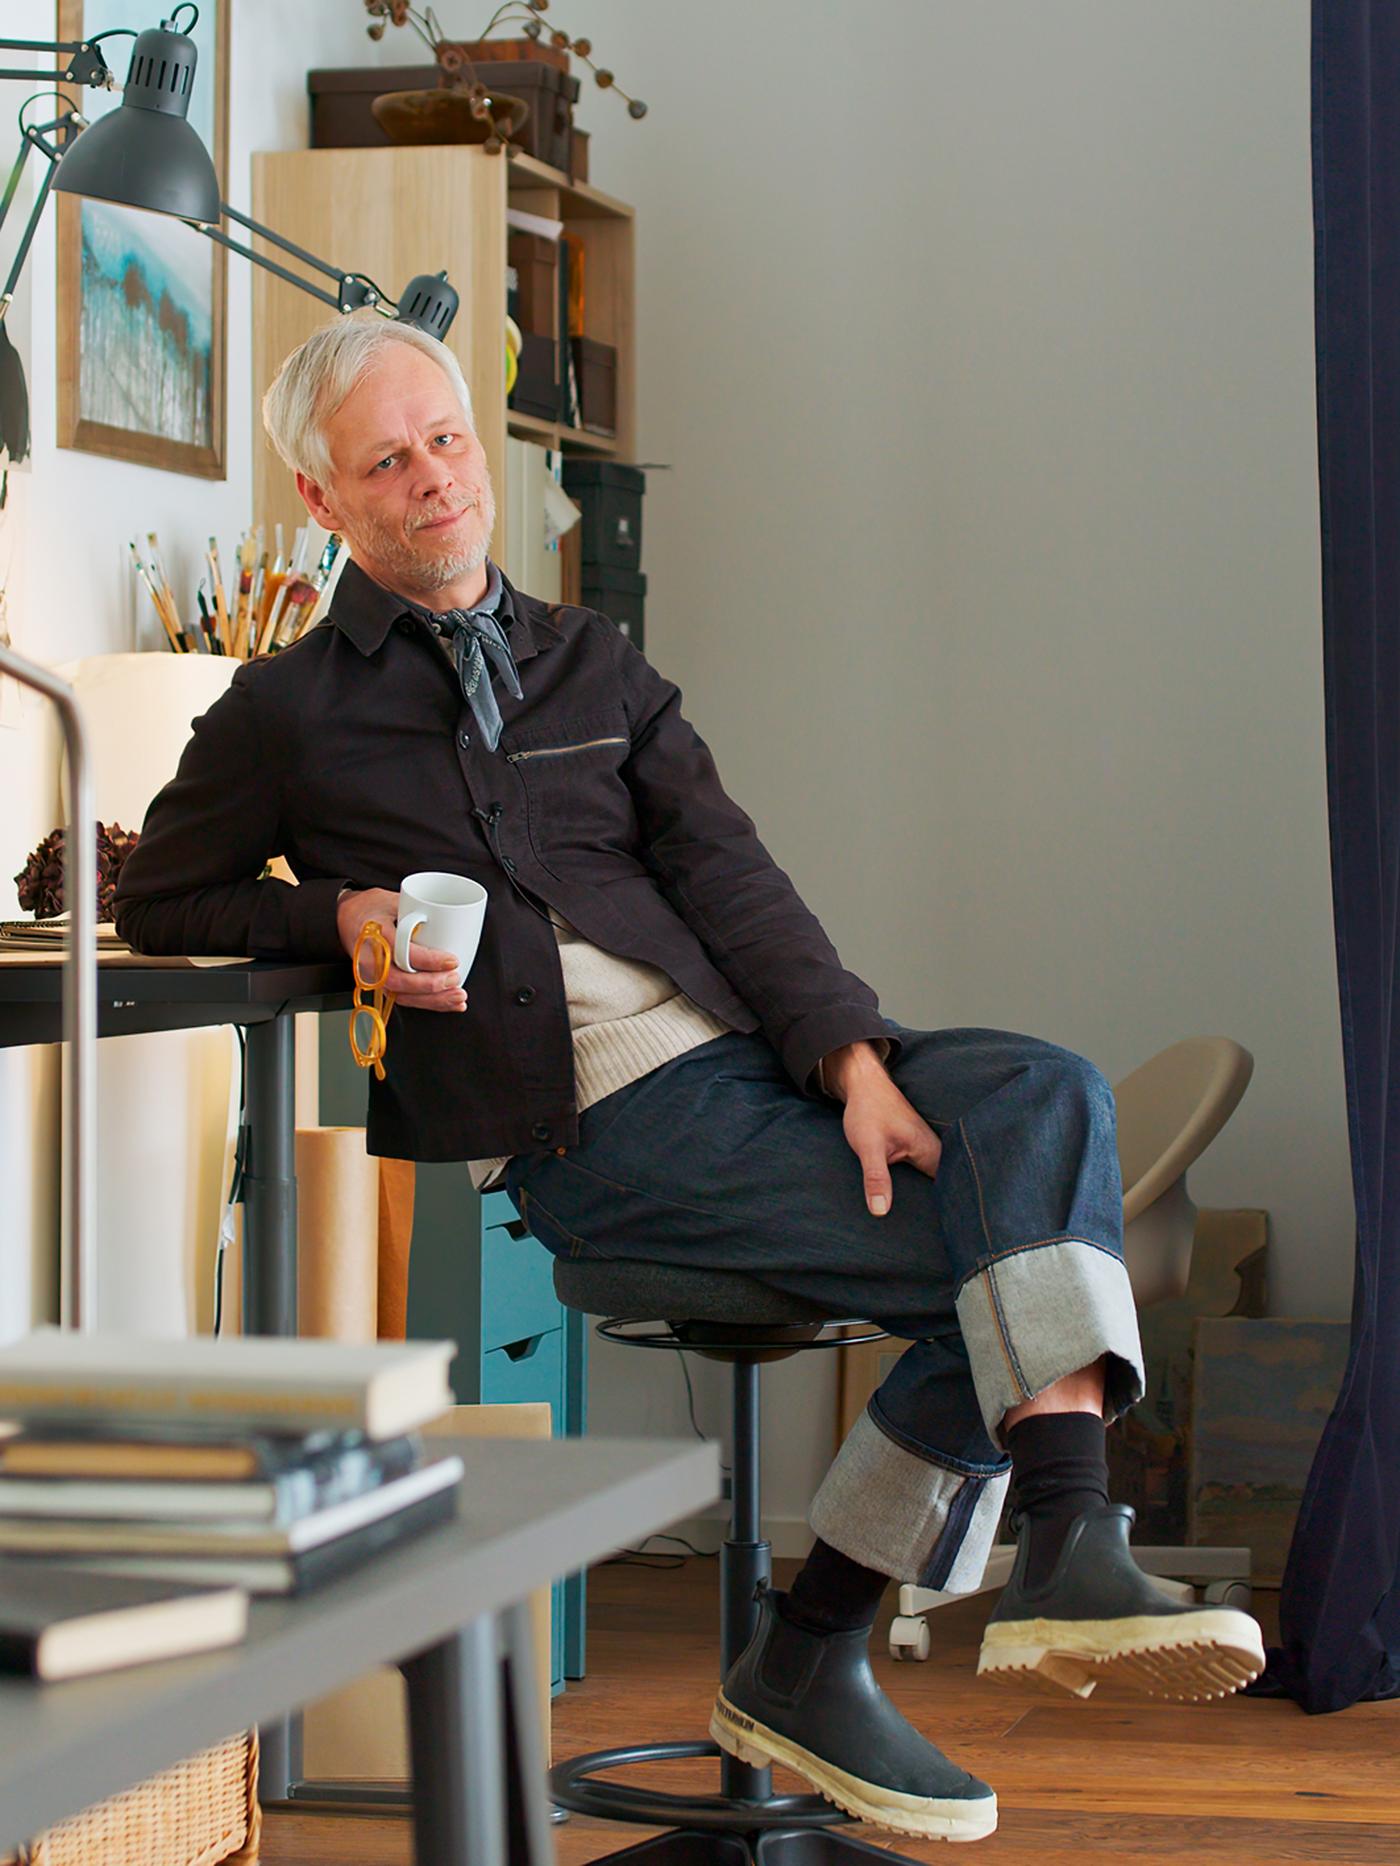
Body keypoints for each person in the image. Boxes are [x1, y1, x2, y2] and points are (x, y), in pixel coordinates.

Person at [116, 317, 1265, 1845]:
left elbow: (734, 879)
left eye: (448, 439)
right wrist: (335, 917)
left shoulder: (588, 659)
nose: (434, 479)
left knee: (1044, 1097)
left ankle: (963, 1585)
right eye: (386, 459)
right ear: (326, 503)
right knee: (1002, 1253)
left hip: (744, 1059)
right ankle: (882, 1618)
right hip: (590, 1128)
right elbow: (162, 899)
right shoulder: (286, 712)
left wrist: (850, 1059)